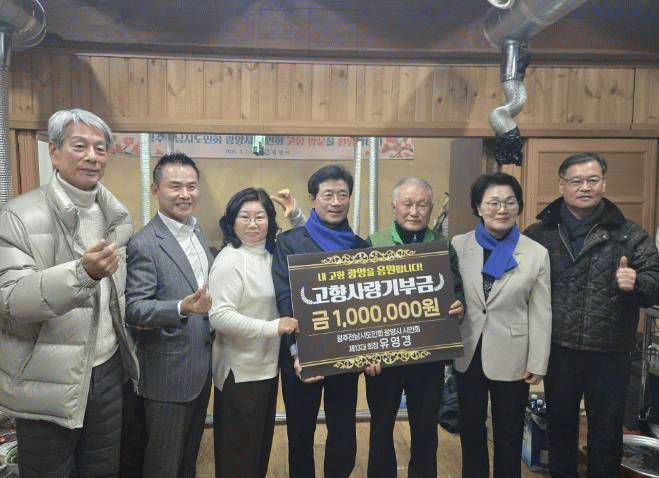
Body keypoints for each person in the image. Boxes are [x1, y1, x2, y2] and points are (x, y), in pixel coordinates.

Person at [0, 108, 138, 477]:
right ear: (54, 152)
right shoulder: (18, 215)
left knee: (103, 471)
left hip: (107, 371)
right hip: (45, 379)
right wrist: (81, 274)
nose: (92, 156)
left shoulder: (117, 218)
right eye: (80, 146)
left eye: (100, 148)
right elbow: (10, 299)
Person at [525, 153, 659, 478]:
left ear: (604, 184)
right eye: (576, 181)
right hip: (559, 350)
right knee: (560, 430)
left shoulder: (630, 234)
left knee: (607, 434)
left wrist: (637, 282)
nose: (584, 187)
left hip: (610, 352)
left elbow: (654, 281)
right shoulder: (539, 234)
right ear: (562, 185)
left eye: (592, 180)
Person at [272, 164, 370, 478]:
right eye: (328, 195)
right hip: (301, 358)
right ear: (313, 199)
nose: (336, 202)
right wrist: (297, 351)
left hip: (346, 355)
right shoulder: (289, 242)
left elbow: (368, 306)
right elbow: (285, 299)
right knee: (300, 432)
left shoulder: (361, 247)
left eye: (343, 194)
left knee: (343, 430)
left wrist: (371, 347)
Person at [451, 172, 551, 478]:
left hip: (513, 354)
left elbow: (541, 311)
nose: (502, 209)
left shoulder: (535, 253)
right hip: (469, 350)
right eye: (493, 202)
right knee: (470, 426)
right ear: (478, 207)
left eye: (509, 202)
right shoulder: (459, 244)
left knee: (509, 430)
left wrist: (538, 361)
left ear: (519, 206)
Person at [365, 177, 463, 478]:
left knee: (425, 431)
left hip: (428, 358)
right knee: (381, 428)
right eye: (407, 204)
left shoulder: (443, 246)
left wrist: (458, 305)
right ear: (394, 206)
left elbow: (457, 291)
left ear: (431, 208)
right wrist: (367, 351)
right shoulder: (373, 243)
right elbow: (360, 304)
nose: (414, 211)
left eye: (422, 205)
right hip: (384, 358)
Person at [125, 153, 214, 478]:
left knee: (188, 460)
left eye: (191, 186)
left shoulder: (197, 231)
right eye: (175, 186)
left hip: (200, 369)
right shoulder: (145, 243)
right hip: (167, 374)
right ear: (155, 189)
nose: (185, 194)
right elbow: (135, 309)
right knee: (163, 464)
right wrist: (181, 307)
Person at [209, 187, 303, 478]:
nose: (252, 224)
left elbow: (304, 251)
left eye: (260, 217)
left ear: (270, 221)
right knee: (239, 457)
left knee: (257, 452)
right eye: (244, 217)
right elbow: (219, 316)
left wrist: (296, 216)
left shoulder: (270, 254)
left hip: (266, 369)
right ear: (232, 221)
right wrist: (273, 327)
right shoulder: (230, 260)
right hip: (241, 373)